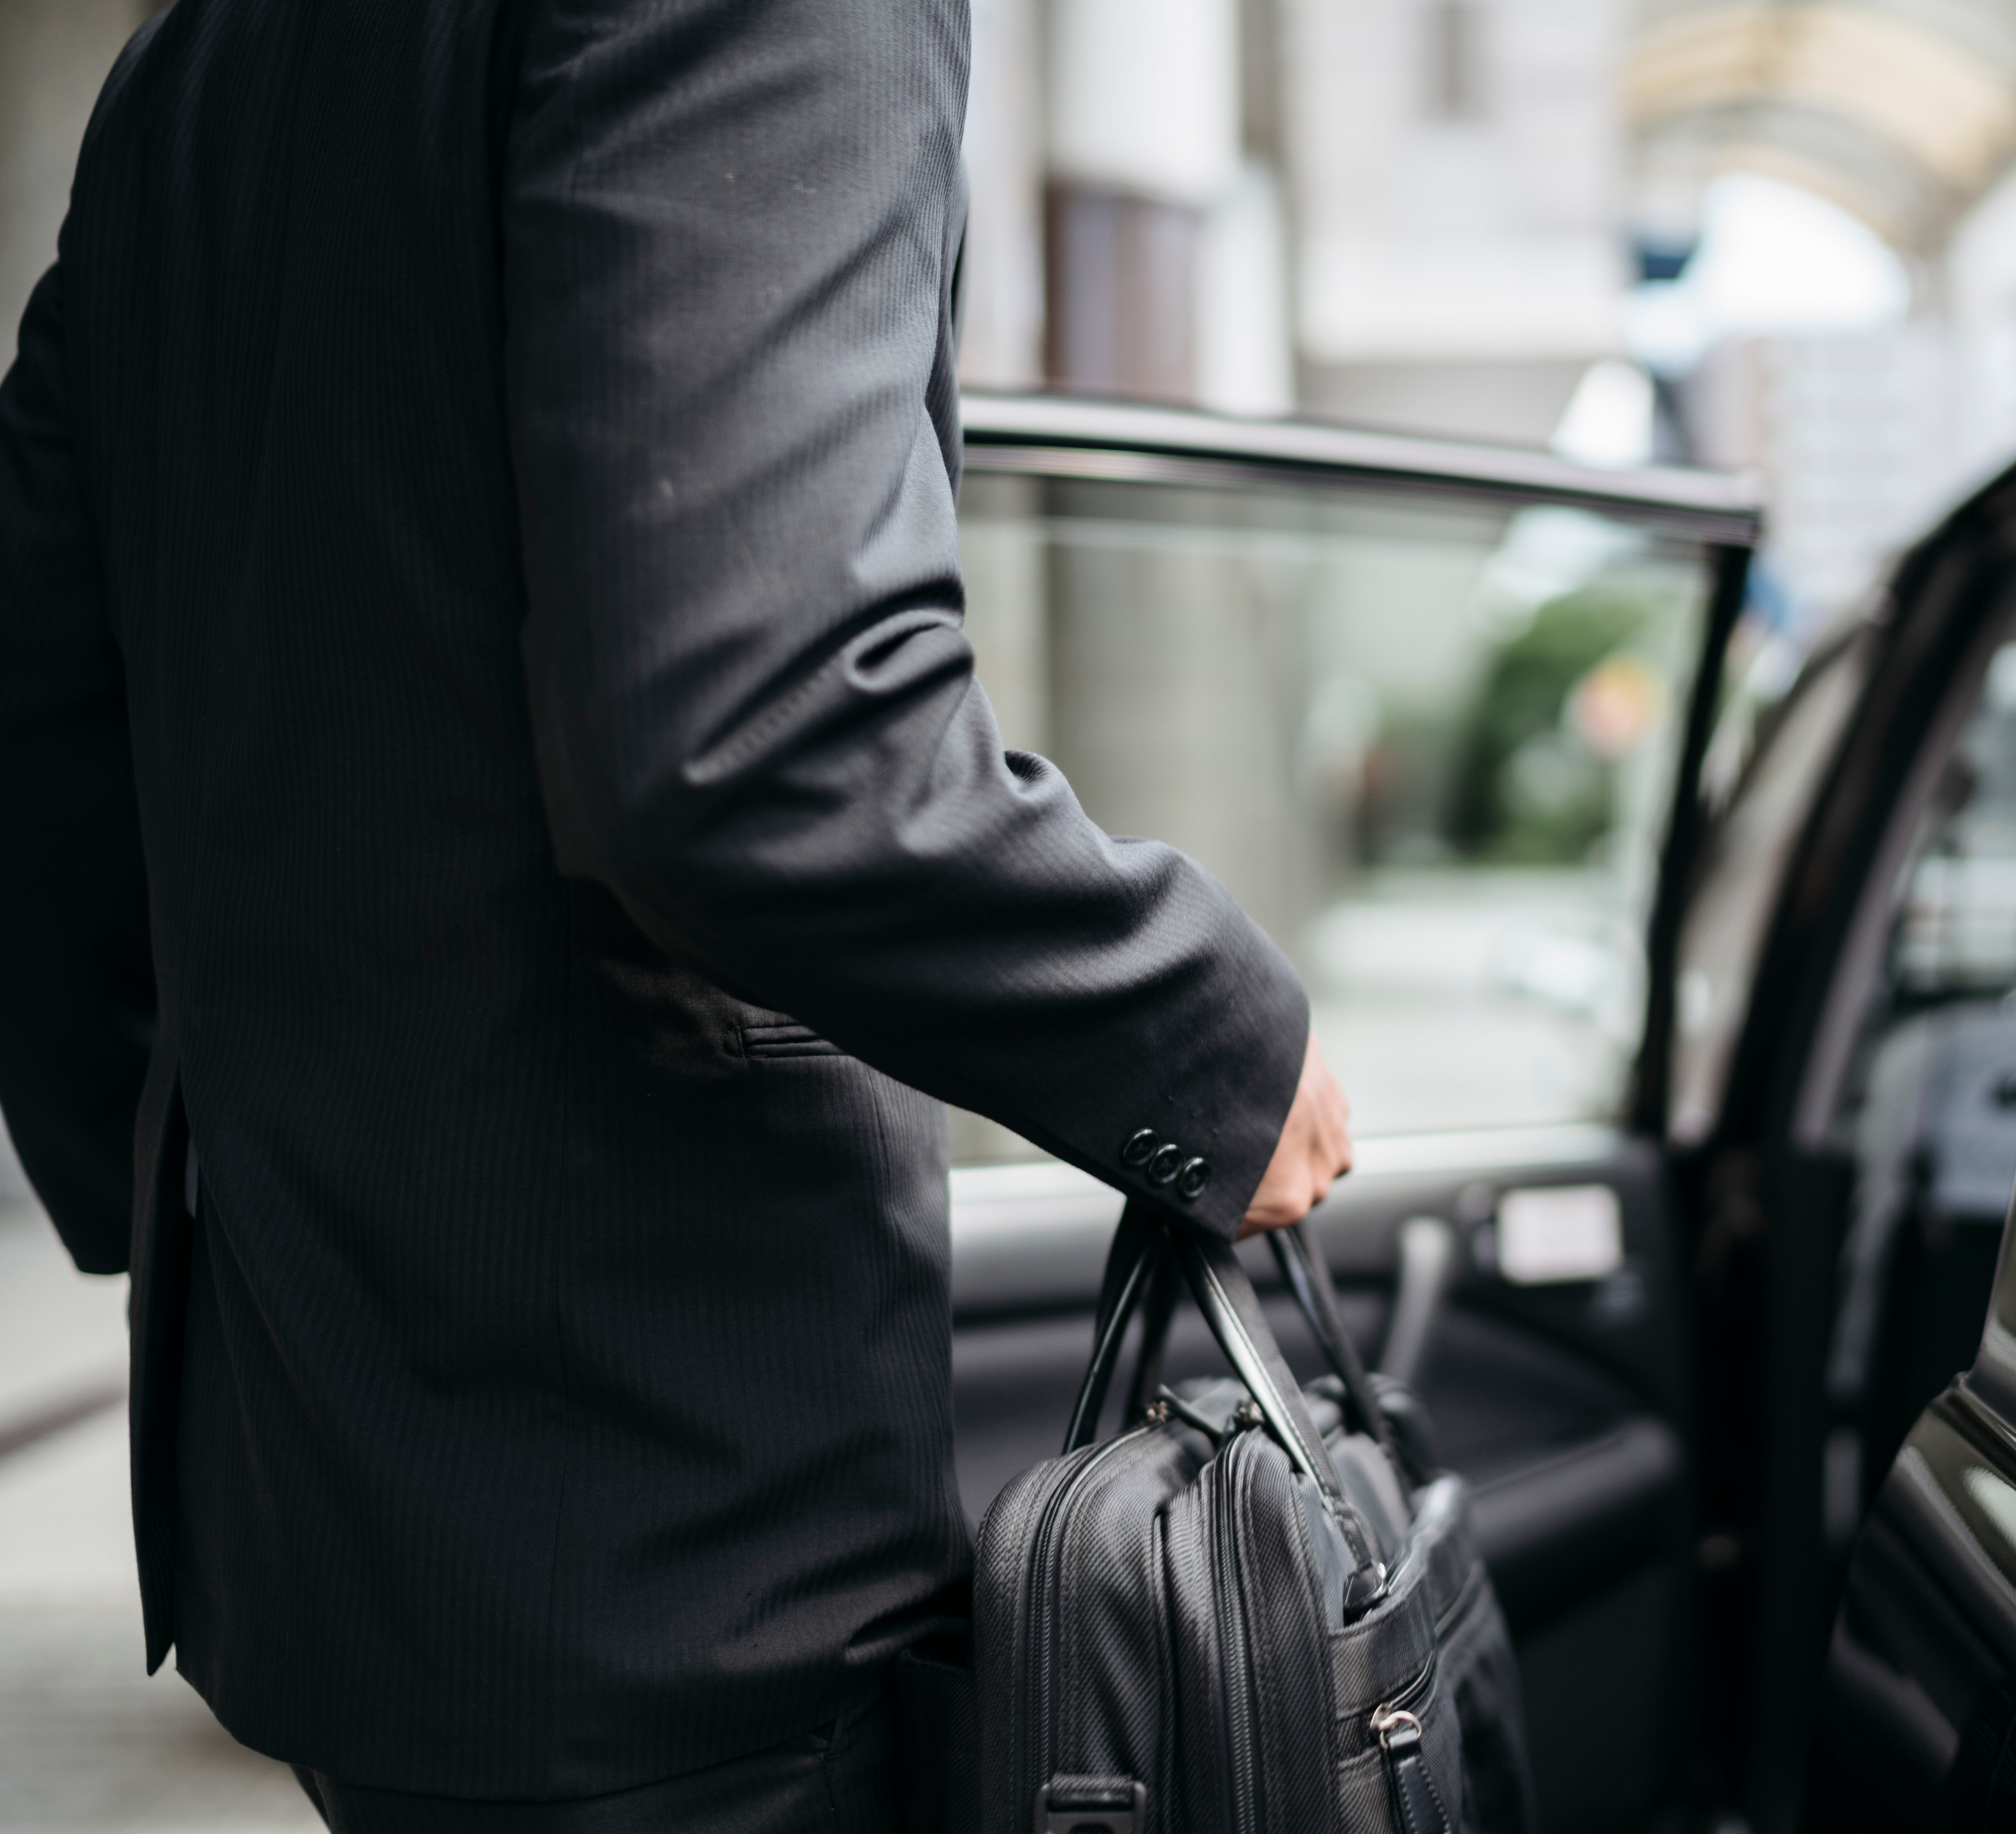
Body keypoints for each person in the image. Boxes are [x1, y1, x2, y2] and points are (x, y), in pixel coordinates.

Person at [0, 0, 1351, 1827]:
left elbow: (41, 733)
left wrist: (169, 1204)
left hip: (327, 1509)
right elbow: (760, 726)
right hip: (672, 1538)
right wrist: (1213, 1047)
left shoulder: (200, 56)